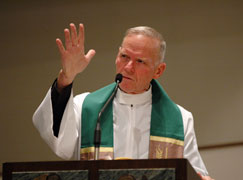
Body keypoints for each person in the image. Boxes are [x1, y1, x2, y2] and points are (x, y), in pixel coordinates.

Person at [33, 23, 214, 180]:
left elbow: (192, 172)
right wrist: (66, 77)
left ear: (158, 71)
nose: (128, 67)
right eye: (124, 57)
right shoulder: (86, 106)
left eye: (140, 61)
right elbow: (60, 145)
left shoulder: (180, 119)